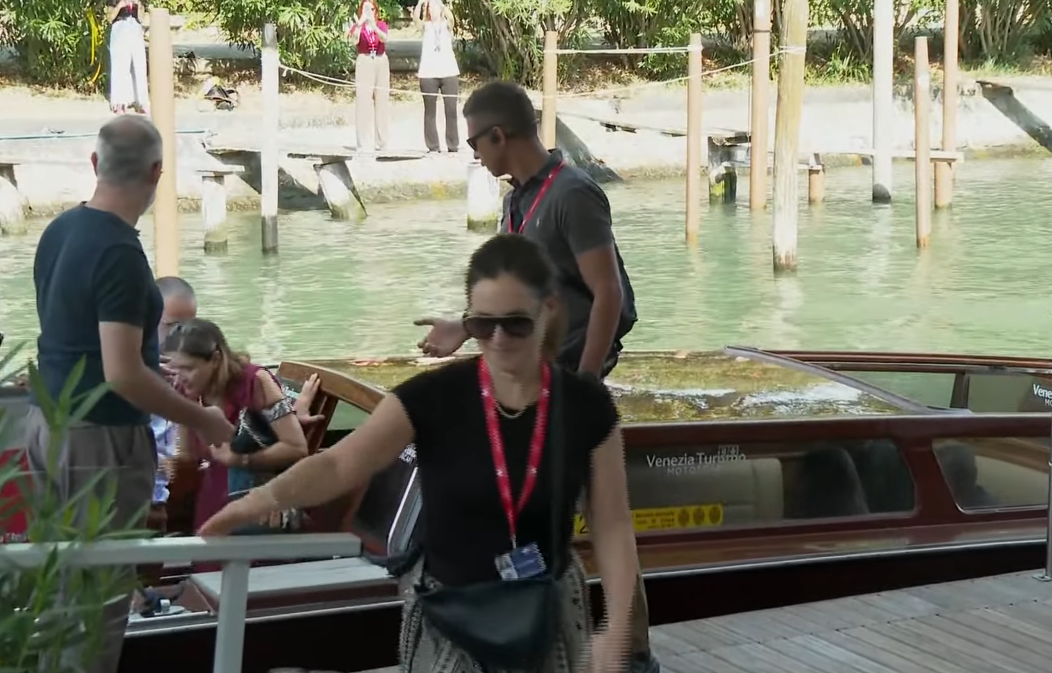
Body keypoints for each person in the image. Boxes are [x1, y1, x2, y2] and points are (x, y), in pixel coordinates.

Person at [200, 235, 640, 673]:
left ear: (549, 310)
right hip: (449, 620)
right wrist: (251, 504)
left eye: (516, 323)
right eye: (482, 325)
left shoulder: (587, 407)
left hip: (549, 614)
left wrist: (617, 627)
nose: (498, 338)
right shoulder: (432, 396)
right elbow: (338, 464)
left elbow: (613, 525)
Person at [415, 81, 655, 673]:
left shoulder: (573, 194)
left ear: (500, 135)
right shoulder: (516, 203)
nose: (474, 153)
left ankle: (634, 652)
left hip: (571, 383)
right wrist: (465, 327)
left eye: (475, 142)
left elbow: (607, 293)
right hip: (533, 386)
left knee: (604, 519)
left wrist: (587, 384)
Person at [27, 115, 234, 673]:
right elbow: (121, 374)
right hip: (100, 443)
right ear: (157, 172)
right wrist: (204, 419)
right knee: (95, 604)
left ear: (95, 163)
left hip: (49, 428)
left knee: (61, 592)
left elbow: (75, 342)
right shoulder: (119, 251)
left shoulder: (59, 231)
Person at [163, 318, 309, 541]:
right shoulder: (184, 389)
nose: (179, 378)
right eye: (174, 370)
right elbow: (187, 455)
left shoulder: (255, 382)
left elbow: (296, 447)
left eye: (188, 368)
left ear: (215, 359)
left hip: (260, 494)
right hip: (215, 490)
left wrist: (240, 460)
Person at [413, 0, 460, 153]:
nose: (433, 10)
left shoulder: (446, 25)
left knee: (451, 109)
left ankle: (453, 144)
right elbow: (416, 20)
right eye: (431, 8)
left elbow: (451, 19)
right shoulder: (425, 26)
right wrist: (420, 4)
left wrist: (442, 6)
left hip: (449, 72)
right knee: (430, 111)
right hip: (428, 73)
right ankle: (432, 145)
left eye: (436, 8)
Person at [351, 0, 390, 152]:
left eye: (371, 9)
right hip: (364, 60)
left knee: (382, 101)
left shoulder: (381, 24)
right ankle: (363, 142)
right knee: (363, 101)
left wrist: (373, 26)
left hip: (380, 60)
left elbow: (384, 38)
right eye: (366, 9)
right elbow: (354, 40)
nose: (369, 12)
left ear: (376, 11)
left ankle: (382, 141)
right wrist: (360, 24)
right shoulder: (358, 26)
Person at [106, 0, 150, 115]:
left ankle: (142, 102)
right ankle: (118, 103)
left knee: (139, 65)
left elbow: (141, 18)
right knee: (120, 66)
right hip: (120, 27)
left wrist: (139, 5)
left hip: (135, 28)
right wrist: (120, 6)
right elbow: (109, 18)